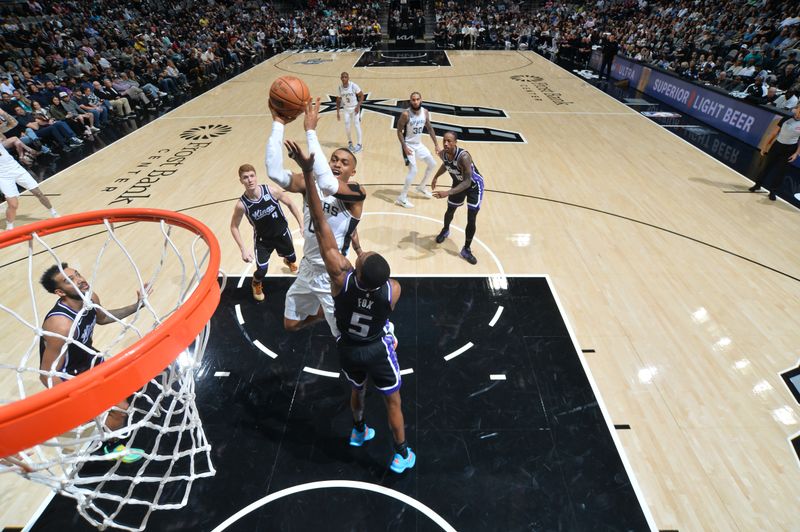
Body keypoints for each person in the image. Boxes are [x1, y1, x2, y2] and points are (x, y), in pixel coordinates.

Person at [286, 139, 415, 474]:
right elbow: (381, 280)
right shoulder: (393, 291)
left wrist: (307, 171)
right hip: (376, 347)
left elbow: (321, 222)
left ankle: (358, 431)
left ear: (354, 269)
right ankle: (401, 452)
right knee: (393, 400)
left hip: (349, 349)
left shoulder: (339, 283)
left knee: (357, 391)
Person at [266, 98, 366, 335]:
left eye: (344, 162)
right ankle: (321, 315)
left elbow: (329, 185)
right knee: (290, 325)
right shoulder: (308, 184)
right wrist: (278, 124)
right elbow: (274, 172)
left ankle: (336, 318)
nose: (337, 164)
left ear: (353, 171)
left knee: (343, 335)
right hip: (307, 268)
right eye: (333, 159)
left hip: (332, 275)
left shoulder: (356, 193)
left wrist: (311, 132)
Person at [39, 263, 150, 462]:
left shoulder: (90, 297)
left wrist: (137, 305)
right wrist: (71, 402)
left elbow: (103, 318)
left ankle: (107, 427)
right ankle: (110, 447)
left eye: (77, 274)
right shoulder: (61, 325)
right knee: (119, 409)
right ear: (59, 292)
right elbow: (47, 373)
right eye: (69, 280)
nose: (80, 280)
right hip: (70, 375)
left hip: (90, 360)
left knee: (131, 386)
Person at [230, 163, 303, 301]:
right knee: (262, 270)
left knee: (293, 258)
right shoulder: (242, 205)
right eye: (245, 177)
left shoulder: (271, 191)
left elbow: (291, 204)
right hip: (263, 241)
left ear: (256, 177)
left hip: (282, 234)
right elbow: (234, 227)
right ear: (241, 181)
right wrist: (243, 249)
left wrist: (301, 224)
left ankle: (288, 261)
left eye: (252, 176)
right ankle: (256, 283)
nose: (250, 180)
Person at [431, 131, 485, 265]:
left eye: (449, 141)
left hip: (473, 186)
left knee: (471, 218)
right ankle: (445, 230)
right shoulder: (443, 153)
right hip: (458, 183)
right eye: (444, 140)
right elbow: (446, 165)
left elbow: (467, 182)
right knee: (450, 210)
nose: (446, 143)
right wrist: (436, 176)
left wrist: (447, 192)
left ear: (455, 142)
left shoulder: (464, 157)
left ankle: (466, 249)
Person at [395, 91, 440, 208]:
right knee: (414, 170)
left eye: (417, 99)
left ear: (421, 100)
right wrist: (404, 146)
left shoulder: (425, 112)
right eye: (413, 100)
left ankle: (421, 187)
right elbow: (399, 131)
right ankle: (402, 197)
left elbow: (429, 128)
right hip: (408, 145)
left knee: (432, 164)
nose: (415, 102)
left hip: (418, 144)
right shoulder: (406, 114)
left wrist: (436, 144)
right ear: (410, 101)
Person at [748, 105, 800, 200]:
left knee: (781, 172)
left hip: (790, 149)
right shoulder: (786, 119)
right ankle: (757, 185)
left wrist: (796, 153)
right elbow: (773, 133)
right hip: (778, 145)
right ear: (797, 110)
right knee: (767, 166)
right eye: (799, 111)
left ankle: (773, 191)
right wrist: (764, 146)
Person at [1, 142, 57, 230]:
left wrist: (21, 155)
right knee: (13, 205)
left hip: (17, 171)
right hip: (3, 177)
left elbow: (15, 139)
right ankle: (10, 227)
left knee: (38, 193)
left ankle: (53, 212)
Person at [336, 72, 364, 153]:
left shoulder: (353, 85)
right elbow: (338, 100)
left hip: (355, 108)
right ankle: (350, 142)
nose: (344, 78)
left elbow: (362, 96)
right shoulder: (340, 88)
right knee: (347, 126)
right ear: (341, 78)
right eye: (343, 77)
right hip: (346, 109)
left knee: (356, 125)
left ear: (348, 78)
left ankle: (359, 144)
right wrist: (337, 112)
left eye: (346, 77)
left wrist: (358, 106)